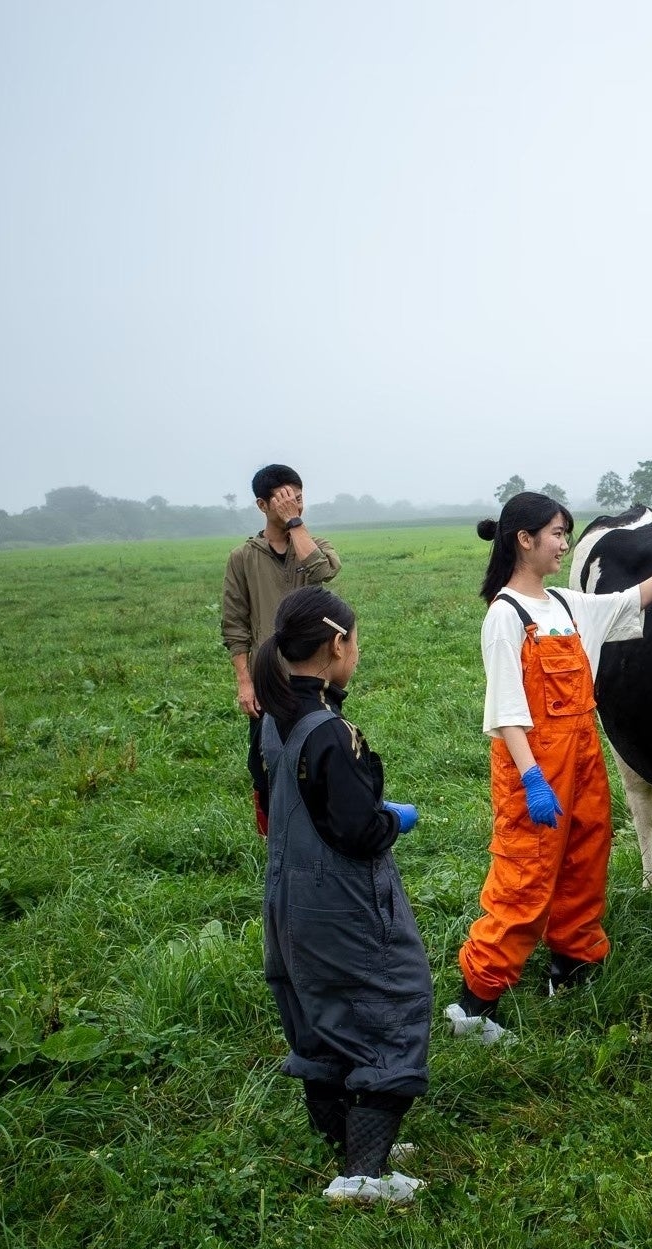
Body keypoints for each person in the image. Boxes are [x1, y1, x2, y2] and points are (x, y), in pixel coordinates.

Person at [447, 492, 652, 1046]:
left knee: (585, 855)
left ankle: (571, 965)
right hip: (533, 761)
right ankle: (475, 1002)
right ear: (524, 540)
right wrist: (531, 778)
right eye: (555, 533)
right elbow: (505, 711)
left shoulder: (567, 606)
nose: (564, 544)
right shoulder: (506, 615)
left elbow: (631, 601)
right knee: (526, 874)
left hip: (583, 751)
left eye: (565, 533)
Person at [253, 585, 429, 1205]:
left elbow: (272, 809)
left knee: (319, 1018)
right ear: (336, 645)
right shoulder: (330, 732)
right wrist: (391, 820)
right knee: (393, 1006)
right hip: (341, 904)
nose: (357, 652)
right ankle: (364, 1176)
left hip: (286, 901)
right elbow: (357, 832)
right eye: (355, 642)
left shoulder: (270, 722)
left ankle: (347, 1139)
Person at [223, 463, 341, 835]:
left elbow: (322, 572)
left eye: (299, 498)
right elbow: (235, 623)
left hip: (315, 671)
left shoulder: (313, 545)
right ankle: (275, 834)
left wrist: (295, 525)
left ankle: (321, 829)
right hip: (267, 674)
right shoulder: (242, 557)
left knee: (319, 751)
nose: (293, 506)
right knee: (264, 762)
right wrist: (245, 681)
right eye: (283, 500)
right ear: (262, 505)